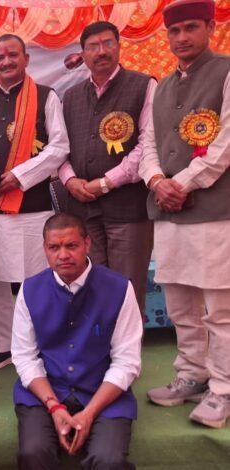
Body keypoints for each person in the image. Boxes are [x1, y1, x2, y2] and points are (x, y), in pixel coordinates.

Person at [138, 0, 230, 429]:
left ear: (210, 26)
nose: (182, 38)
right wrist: (157, 181)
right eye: (174, 31)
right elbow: (148, 145)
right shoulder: (163, 86)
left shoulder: (225, 72)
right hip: (168, 213)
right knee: (179, 305)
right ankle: (192, 375)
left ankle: (223, 390)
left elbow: (224, 146)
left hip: (214, 213)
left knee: (221, 311)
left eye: (191, 27)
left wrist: (182, 184)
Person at [0, 34, 69, 371]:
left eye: (13, 55)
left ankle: (43, 346)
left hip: (32, 207)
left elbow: (59, 147)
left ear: (26, 59)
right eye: (0, 57)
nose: (7, 61)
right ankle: (5, 346)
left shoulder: (46, 97)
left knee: (37, 281)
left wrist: (19, 177)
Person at [12, 213, 142, 469]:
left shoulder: (119, 288)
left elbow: (127, 361)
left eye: (71, 245)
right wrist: (54, 407)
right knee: (34, 453)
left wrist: (90, 413)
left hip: (101, 391)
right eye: (54, 247)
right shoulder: (30, 290)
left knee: (108, 460)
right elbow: (25, 357)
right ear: (45, 249)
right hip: (46, 392)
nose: (63, 255)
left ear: (87, 244)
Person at [59, 21, 155, 313]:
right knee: (91, 290)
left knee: (127, 291)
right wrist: (69, 180)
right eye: (93, 46)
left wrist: (106, 182)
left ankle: (129, 346)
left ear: (118, 47)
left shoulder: (143, 85)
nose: (101, 51)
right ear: (83, 54)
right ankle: (96, 344)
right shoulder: (71, 96)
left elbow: (148, 145)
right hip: (83, 211)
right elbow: (60, 147)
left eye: (107, 43)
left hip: (128, 210)